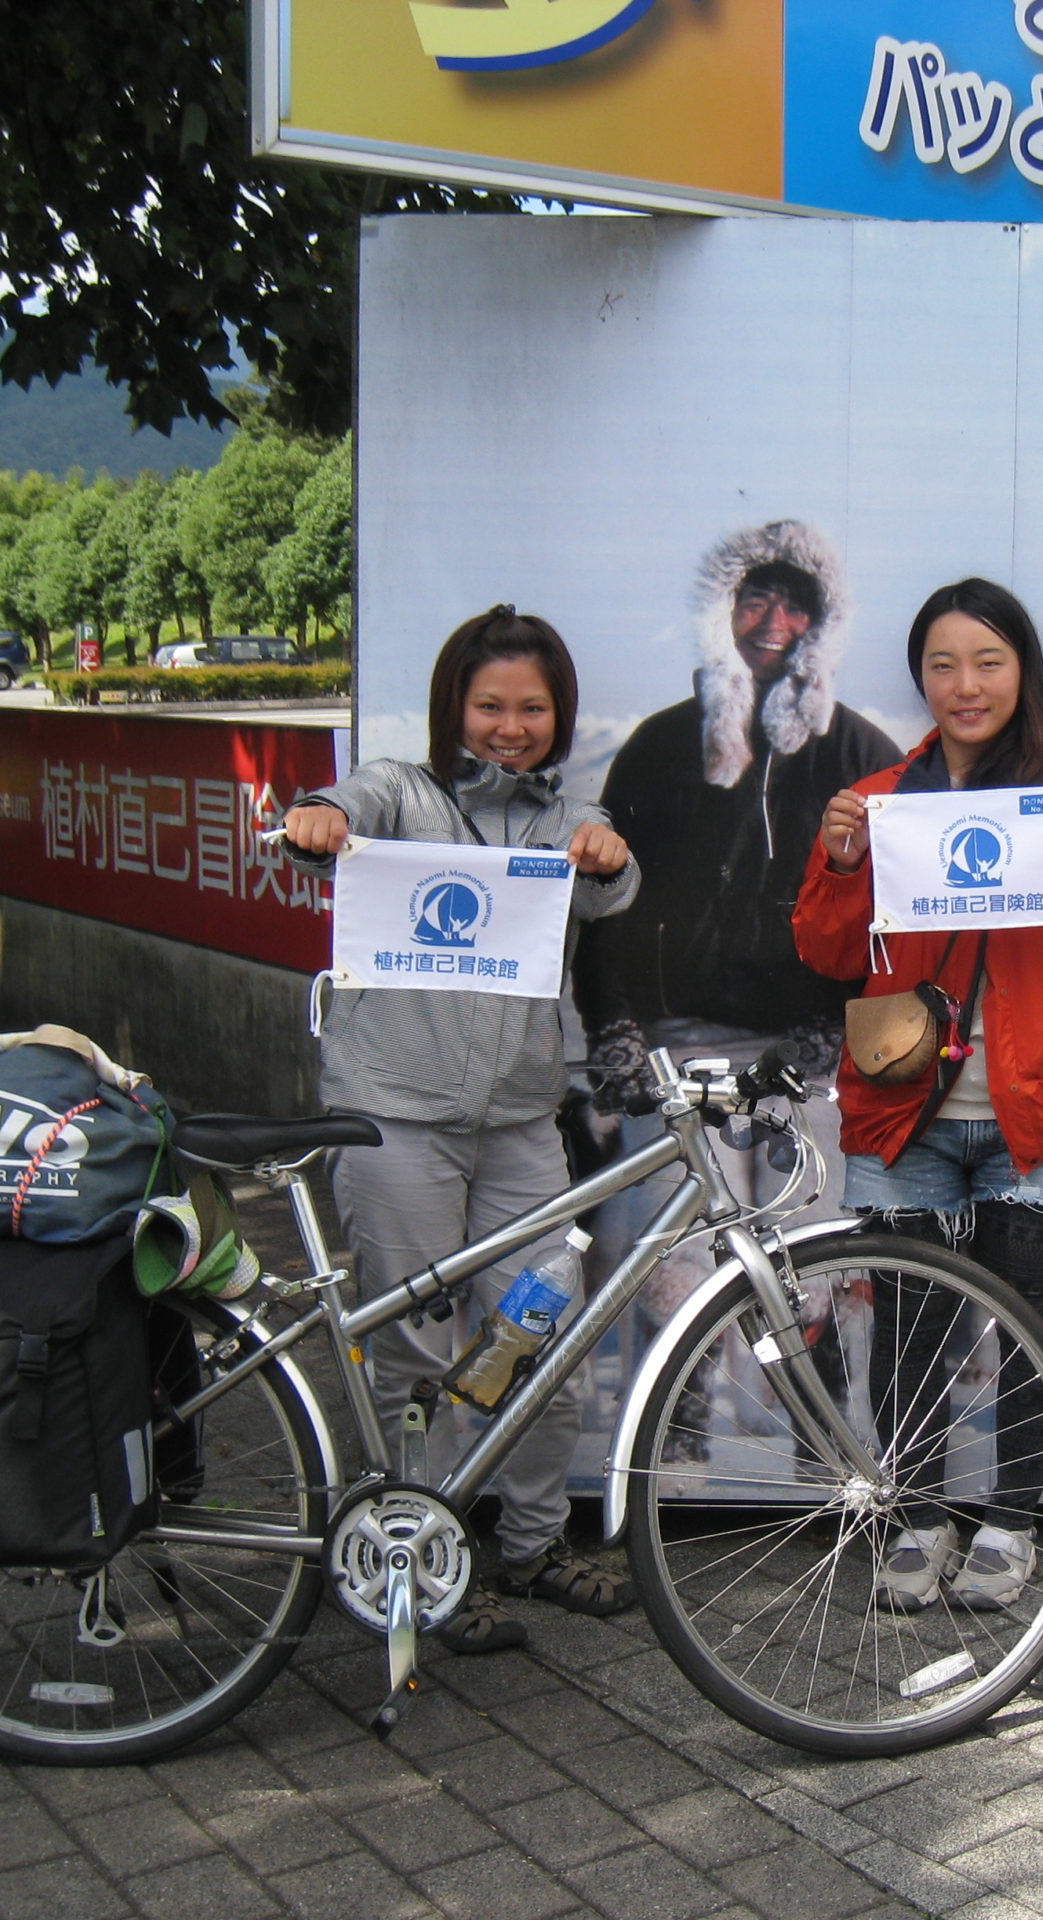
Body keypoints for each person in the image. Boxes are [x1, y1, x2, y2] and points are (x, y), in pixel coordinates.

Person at [283, 605, 641, 1654]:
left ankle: (532, 1546)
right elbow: (330, 818)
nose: (510, 725)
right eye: (490, 705)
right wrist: (318, 819)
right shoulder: (400, 793)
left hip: (523, 1127)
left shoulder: (566, 822)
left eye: (531, 707)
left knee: (541, 1337)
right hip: (397, 1119)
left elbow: (616, 889)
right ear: (455, 708)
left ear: (556, 716)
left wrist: (605, 853)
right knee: (414, 1356)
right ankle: (425, 1558)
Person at [793, 578, 1043, 1612]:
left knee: (1032, 1331)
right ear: (920, 678)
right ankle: (914, 1517)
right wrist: (840, 856)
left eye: (987, 662)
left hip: (1032, 1118)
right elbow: (825, 950)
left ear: (1023, 673)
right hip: (907, 1110)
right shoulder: (886, 798)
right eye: (942, 665)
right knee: (905, 1329)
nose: (965, 685)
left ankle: (1009, 1522)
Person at [576, 519, 899, 1099]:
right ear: (722, 612)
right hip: (675, 1041)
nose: (774, 624)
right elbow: (604, 893)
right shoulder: (662, 743)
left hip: (816, 1054)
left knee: (801, 1196)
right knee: (689, 1194)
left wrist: (840, 1023)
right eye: (755, 601)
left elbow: (902, 912)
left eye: (796, 606)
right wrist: (613, 1026)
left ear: (823, 623)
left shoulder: (861, 751)